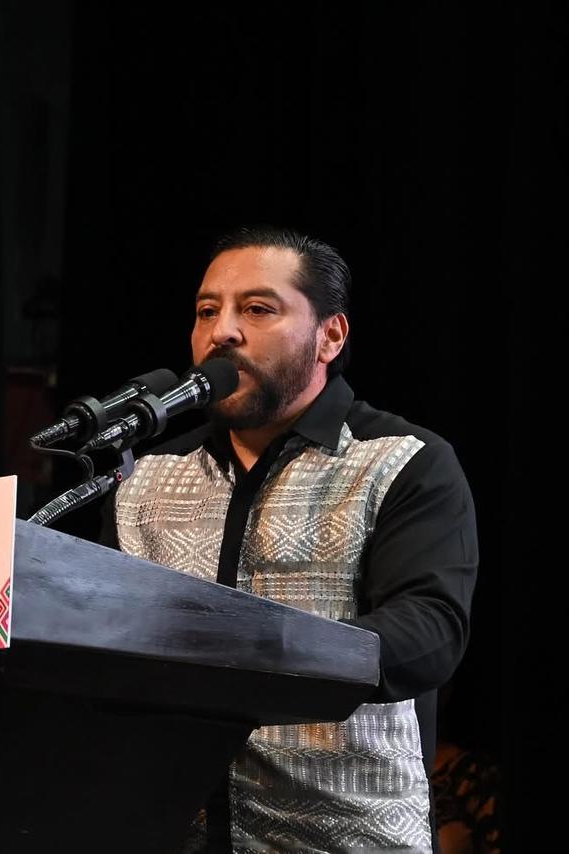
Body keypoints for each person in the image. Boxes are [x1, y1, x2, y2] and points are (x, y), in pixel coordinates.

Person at [101, 226, 478, 853]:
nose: (223, 331)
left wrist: (262, 652)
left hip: (346, 839)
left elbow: (429, 632)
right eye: (206, 311)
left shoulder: (402, 462)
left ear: (331, 336)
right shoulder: (145, 477)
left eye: (257, 309)